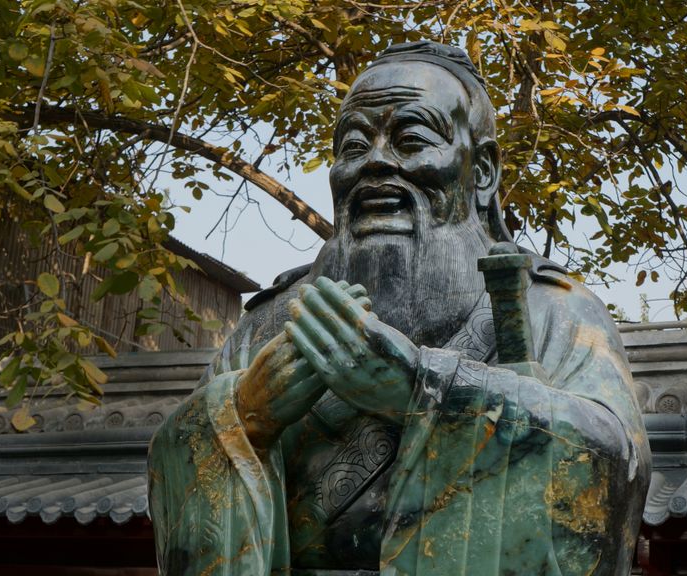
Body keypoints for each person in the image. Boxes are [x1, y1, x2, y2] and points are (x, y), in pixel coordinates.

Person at [148, 40, 649, 576]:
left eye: (411, 139)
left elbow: (613, 460)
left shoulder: (551, 311)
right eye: (353, 144)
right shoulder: (269, 326)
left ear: (480, 172)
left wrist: (423, 390)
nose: (377, 162)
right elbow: (172, 461)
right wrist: (244, 414)